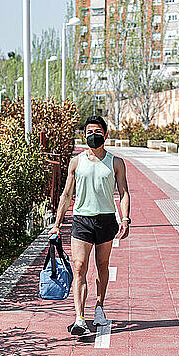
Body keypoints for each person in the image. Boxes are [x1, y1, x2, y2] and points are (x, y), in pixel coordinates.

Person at [48, 115, 131, 336]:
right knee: (79, 266)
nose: (92, 136)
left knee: (102, 266)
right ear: (84, 135)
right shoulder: (76, 162)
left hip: (106, 220)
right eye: (88, 132)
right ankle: (79, 318)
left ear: (105, 134)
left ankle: (100, 307)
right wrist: (56, 224)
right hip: (82, 220)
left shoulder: (116, 163)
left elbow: (123, 193)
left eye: (97, 132)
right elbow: (66, 194)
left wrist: (125, 218)